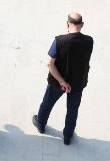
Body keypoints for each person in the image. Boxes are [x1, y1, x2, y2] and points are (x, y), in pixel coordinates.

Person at [31, 12, 94, 146]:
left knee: (47, 103)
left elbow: (49, 63)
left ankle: (41, 124)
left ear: (67, 23)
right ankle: (67, 136)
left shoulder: (60, 41)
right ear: (82, 25)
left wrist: (62, 81)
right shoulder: (89, 41)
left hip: (57, 82)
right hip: (78, 82)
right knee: (72, 110)